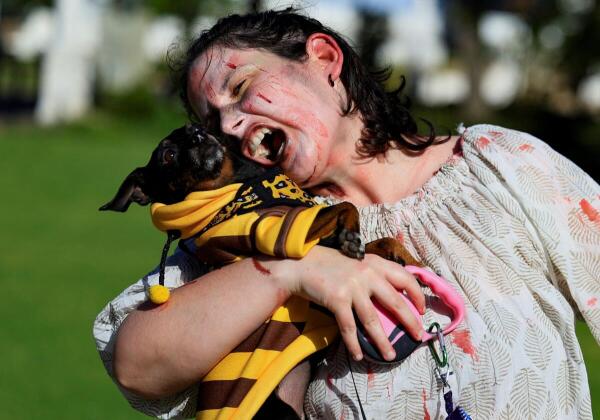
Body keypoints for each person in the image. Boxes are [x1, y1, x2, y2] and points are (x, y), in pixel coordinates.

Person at [94, 9, 600, 419]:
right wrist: (294, 271)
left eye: (242, 87)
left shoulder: (498, 166)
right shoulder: (255, 228)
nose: (230, 124)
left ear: (324, 59)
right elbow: (138, 365)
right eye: (212, 122)